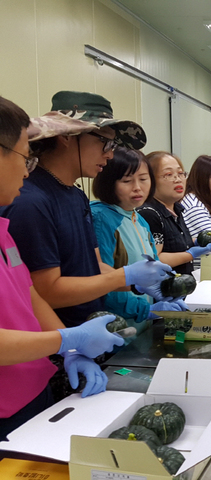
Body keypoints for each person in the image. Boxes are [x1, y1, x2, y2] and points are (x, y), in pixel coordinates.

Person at [0, 96, 125, 440]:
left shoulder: (2, 227)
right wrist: (65, 339)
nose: (28, 170)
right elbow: (48, 288)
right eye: (25, 157)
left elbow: (28, 294)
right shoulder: (30, 203)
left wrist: (69, 349)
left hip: (33, 383)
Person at [0, 91, 172, 328]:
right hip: (56, 339)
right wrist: (124, 276)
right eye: (105, 142)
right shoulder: (31, 201)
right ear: (68, 136)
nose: (110, 155)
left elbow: (92, 266)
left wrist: (135, 283)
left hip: (88, 330)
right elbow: (46, 292)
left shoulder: (76, 195)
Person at [91, 147, 187, 329]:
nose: (137, 187)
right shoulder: (101, 218)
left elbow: (152, 264)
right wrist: (147, 309)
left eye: (143, 179)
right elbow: (100, 283)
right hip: (116, 327)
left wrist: (166, 288)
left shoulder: (138, 218)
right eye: (127, 180)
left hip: (142, 325)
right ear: (108, 182)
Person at [138, 151, 211, 275]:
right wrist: (190, 255)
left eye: (181, 173)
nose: (178, 179)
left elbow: (173, 243)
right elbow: (154, 258)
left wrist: (193, 242)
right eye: (168, 174)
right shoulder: (150, 213)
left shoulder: (177, 209)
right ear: (150, 180)